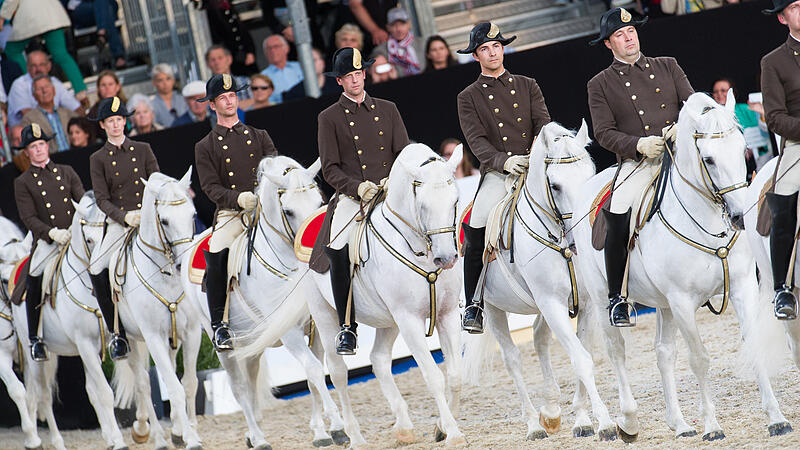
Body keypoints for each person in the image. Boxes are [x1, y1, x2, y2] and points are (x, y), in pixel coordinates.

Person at [587, 8, 693, 327]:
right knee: (617, 211)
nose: (628, 37)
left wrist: (682, 126)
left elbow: (691, 103)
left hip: (680, 155)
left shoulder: (667, 65)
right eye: (620, 34)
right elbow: (603, 132)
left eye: (631, 30)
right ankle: (618, 296)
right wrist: (638, 145)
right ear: (609, 44)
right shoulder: (600, 84)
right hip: (640, 163)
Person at [456, 22, 551, 334]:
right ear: (476, 56)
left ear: (503, 49)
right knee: (477, 227)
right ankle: (474, 303)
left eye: (496, 46)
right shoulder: (468, 96)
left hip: (534, 165)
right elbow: (476, 141)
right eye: (485, 48)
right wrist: (506, 161)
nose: (492, 52)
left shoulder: (528, 84)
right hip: (500, 173)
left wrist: (536, 153)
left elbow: (543, 122)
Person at [316, 47, 409, 355]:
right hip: (353, 198)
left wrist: (392, 182)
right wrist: (358, 188)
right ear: (339, 81)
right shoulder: (328, 118)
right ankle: (347, 326)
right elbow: (329, 168)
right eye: (348, 77)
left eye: (358, 74)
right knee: (339, 248)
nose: (355, 80)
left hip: (389, 192)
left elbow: (403, 154)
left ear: (365, 74)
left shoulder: (388, 108)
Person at [194, 73, 278, 351]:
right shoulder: (205, 146)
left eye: (232, 96)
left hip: (263, 207)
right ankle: (220, 324)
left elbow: (275, 171)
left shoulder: (260, 135)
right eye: (223, 98)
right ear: (213, 105)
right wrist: (238, 198)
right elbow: (209, 187)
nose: (229, 101)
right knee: (217, 250)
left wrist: (261, 196)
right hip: (232, 213)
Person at [89, 96, 160, 360]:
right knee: (96, 267)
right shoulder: (98, 158)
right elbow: (101, 198)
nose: (116, 124)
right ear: (104, 125)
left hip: (148, 219)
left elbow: (156, 182)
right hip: (121, 223)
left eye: (120, 119)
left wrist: (148, 212)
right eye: (111, 121)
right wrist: (124, 217)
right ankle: (116, 333)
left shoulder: (143, 148)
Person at [14, 123, 85, 361]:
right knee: (33, 275)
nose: (38, 149)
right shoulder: (23, 182)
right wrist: (52, 234)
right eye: (33, 146)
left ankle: (116, 326)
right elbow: (28, 218)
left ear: (48, 146)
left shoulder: (66, 171)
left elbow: (82, 202)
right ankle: (35, 339)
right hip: (48, 241)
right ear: (27, 152)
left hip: (74, 235)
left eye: (41, 144)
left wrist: (77, 228)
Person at [760, 0, 800, 319]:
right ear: (782, 18)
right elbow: (774, 117)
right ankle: (782, 289)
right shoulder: (773, 62)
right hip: (798, 143)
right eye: (796, 6)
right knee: (785, 200)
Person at [0, 0, 88, 107]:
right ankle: (81, 92)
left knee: (12, 50)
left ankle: (29, 85)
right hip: (52, 14)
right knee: (61, 54)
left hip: (31, 16)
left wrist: (2, 17)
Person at [7, 49, 81, 126]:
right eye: (33, 66)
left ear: (49, 66)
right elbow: (28, 115)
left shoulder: (54, 82)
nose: (38, 69)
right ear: (28, 68)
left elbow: (76, 108)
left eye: (41, 64)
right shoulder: (19, 84)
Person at [61, 0, 126, 69]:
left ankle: (102, 32)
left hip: (103, 6)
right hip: (81, 10)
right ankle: (118, 55)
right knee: (107, 11)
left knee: (105, 6)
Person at [21, 75, 77, 153]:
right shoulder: (28, 119)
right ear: (34, 96)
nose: (44, 91)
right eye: (39, 89)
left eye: (47, 86)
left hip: (74, 156)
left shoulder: (69, 113)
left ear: (54, 90)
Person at [204, 0, 257, 75]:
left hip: (243, 55)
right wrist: (228, 57)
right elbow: (218, 36)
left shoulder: (227, 5)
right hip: (232, 58)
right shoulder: (212, 9)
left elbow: (241, 30)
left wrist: (249, 51)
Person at [372, 7, 425, 76]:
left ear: (409, 24)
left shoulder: (423, 44)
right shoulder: (381, 51)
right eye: (394, 25)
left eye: (402, 24)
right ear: (388, 27)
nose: (399, 29)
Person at [261, 35, 304, 104]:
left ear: (287, 48)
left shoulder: (301, 67)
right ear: (265, 53)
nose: (272, 51)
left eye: (276, 46)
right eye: (269, 48)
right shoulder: (262, 76)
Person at [150, 64, 188, 128]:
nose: (165, 83)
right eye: (160, 80)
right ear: (154, 83)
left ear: (173, 80)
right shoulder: (151, 105)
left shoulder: (183, 99)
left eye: (168, 79)